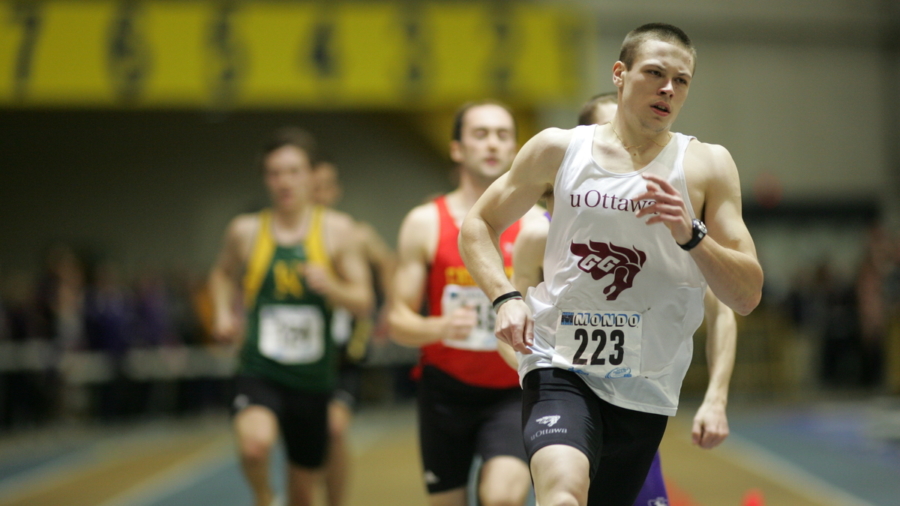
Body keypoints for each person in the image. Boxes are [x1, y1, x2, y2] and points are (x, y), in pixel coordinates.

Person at [460, 23, 763, 506]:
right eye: (655, 73)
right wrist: (506, 297)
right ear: (620, 74)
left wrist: (692, 234)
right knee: (562, 492)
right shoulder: (558, 150)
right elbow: (478, 225)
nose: (668, 88)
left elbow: (745, 295)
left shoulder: (708, 166)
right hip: (558, 364)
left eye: (681, 80)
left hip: (647, 384)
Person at [508, 92, 738, 506]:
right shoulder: (539, 235)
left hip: (638, 399)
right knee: (562, 493)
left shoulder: (673, 222)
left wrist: (716, 399)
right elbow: (513, 316)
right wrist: (532, 376)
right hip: (564, 384)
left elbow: (726, 308)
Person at [388, 101, 542, 506]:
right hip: (445, 393)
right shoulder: (424, 222)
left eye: (502, 134)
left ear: (515, 149)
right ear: (456, 149)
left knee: (502, 498)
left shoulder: (538, 225)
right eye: (480, 134)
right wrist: (438, 327)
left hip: (514, 390)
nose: (492, 143)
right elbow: (396, 319)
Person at [209, 127, 373, 506]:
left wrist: (332, 286)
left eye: (294, 171)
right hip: (260, 368)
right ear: (265, 178)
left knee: (303, 493)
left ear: (311, 176)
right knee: (254, 446)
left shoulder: (337, 231)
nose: (285, 182)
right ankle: (264, 496)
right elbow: (220, 273)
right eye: (275, 173)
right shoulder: (246, 231)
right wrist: (221, 312)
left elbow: (363, 301)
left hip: (313, 379)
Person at [311, 159, 397, 506]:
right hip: (300, 351)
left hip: (344, 347)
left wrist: (389, 309)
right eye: (313, 185)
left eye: (326, 185)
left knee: (333, 429)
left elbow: (387, 261)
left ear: (336, 190)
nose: (319, 193)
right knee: (304, 433)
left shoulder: (355, 233)